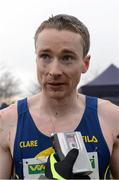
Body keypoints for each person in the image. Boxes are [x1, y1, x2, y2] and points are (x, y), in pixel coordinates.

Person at [0, 14, 119, 179]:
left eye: (67, 58)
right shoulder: (6, 121)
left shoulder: (112, 118)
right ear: (36, 59)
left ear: (85, 63)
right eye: (45, 56)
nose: (54, 71)